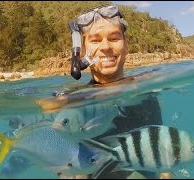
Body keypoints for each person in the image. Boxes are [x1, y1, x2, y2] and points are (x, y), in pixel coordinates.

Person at [55, 4, 170, 179]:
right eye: (95, 40)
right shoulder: (72, 103)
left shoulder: (145, 93)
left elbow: (162, 153)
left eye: (114, 38)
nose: (106, 46)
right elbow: (66, 166)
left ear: (126, 46)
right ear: (82, 52)